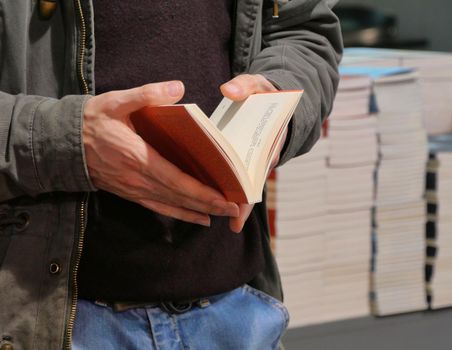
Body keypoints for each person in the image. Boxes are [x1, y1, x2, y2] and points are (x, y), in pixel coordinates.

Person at [0, 0, 342, 349]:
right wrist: (67, 141)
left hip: (237, 313)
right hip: (52, 317)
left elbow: (302, 30)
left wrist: (274, 102)